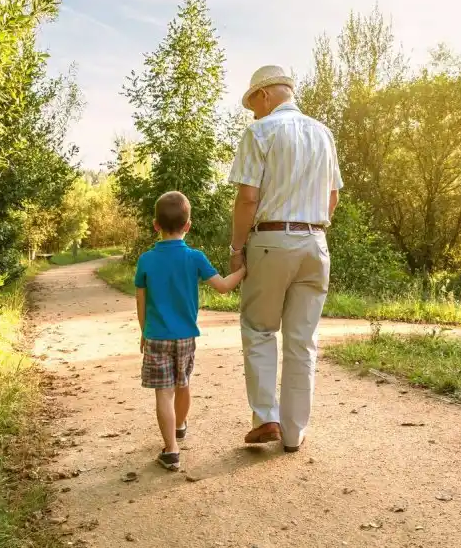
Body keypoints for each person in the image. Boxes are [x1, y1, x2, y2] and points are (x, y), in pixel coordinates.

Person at [227, 65, 343, 453]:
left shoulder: (260, 131)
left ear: (264, 96)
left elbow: (247, 198)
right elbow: (333, 198)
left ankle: (266, 418)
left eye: (253, 105)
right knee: (302, 340)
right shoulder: (323, 133)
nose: (253, 113)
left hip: (271, 241)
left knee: (260, 329)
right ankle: (294, 433)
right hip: (316, 243)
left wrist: (236, 249)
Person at [135, 191, 246, 470]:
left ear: (155, 225)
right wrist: (245, 269)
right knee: (182, 383)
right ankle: (180, 425)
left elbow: (141, 300)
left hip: (156, 336)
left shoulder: (146, 260)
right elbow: (222, 286)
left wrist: (143, 331)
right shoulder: (194, 257)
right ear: (188, 225)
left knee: (163, 393)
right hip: (186, 336)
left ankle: (171, 450)